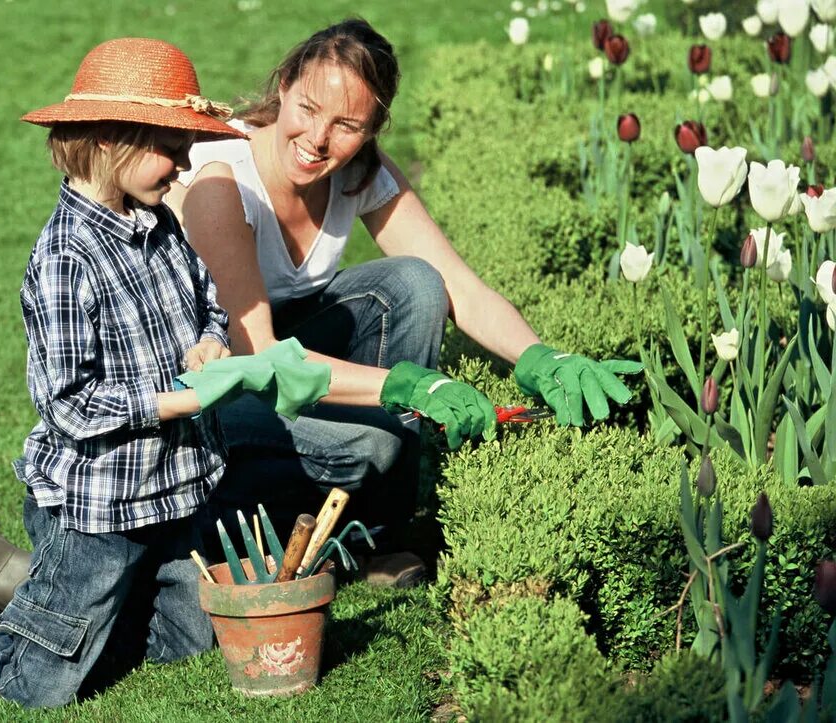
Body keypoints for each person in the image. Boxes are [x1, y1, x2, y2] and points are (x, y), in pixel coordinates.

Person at [0, 38, 251, 707]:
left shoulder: (160, 223)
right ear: (114, 142)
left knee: (190, 634)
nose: (183, 165)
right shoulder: (65, 259)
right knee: (41, 684)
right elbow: (68, 403)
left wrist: (208, 343)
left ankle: (12, 580)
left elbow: (206, 301)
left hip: (172, 487)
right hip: (100, 507)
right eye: (171, 147)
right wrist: (170, 403)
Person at [164, 18, 641, 585]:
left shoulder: (359, 172)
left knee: (416, 282)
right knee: (370, 445)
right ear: (285, 84)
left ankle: (375, 537)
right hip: (214, 376)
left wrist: (541, 357)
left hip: (291, 360)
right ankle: (255, 526)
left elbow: (455, 283)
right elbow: (258, 352)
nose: (318, 140)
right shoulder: (225, 179)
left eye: (346, 125)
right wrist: (408, 387)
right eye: (309, 109)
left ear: (371, 129)